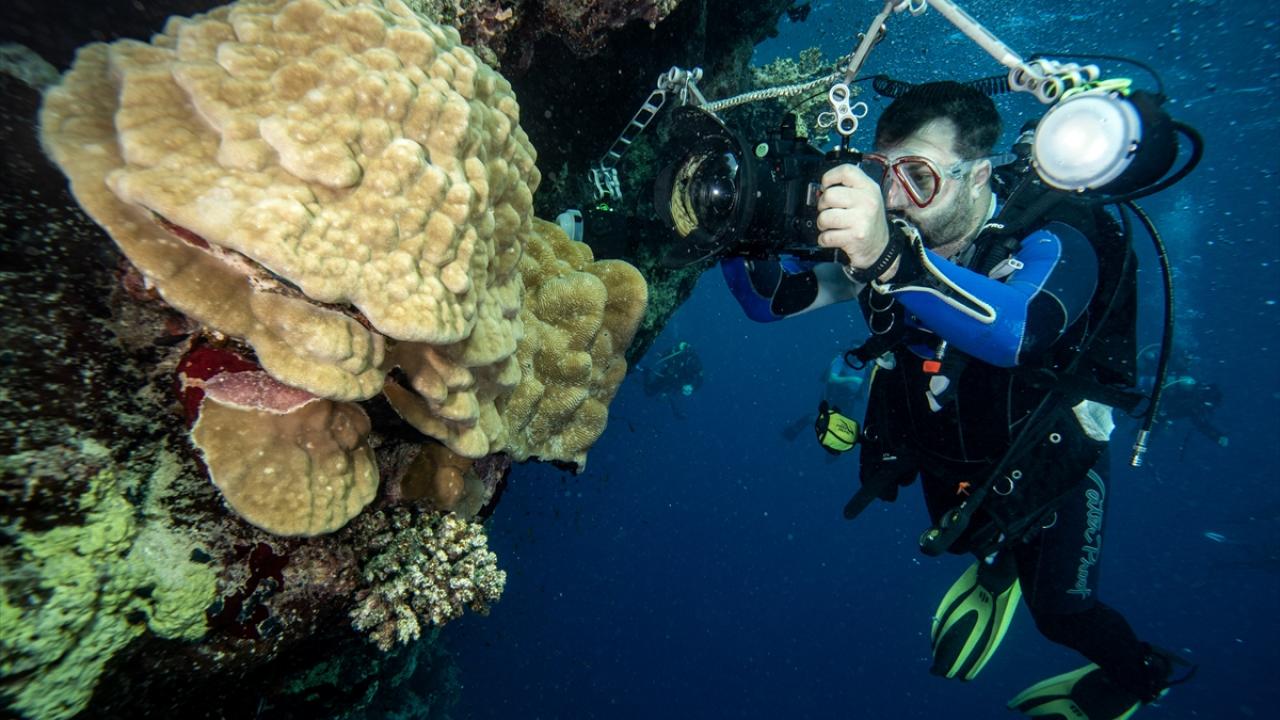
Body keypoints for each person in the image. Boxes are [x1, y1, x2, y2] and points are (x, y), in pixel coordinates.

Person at [725, 82, 1188, 718]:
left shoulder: (1054, 234)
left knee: (1062, 612)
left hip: (1048, 461)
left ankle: (1141, 677)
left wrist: (888, 259)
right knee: (968, 538)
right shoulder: (888, 243)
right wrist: (734, 224)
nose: (893, 200)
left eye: (919, 177)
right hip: (945, 442)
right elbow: (769, 300)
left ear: (978, 176)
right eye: (881, 173)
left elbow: (1021, 329)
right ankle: (996, 568)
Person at [641, 341, 703, 416]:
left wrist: (692, 387)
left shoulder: (694, 361)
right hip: (666, 377)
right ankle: (645, 372)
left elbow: (700, 378)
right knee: (649, 391)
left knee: (677, 404)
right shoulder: (676, 352)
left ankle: (670, 400)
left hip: (678, 385)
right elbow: (663, 356)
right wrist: (676, 349)